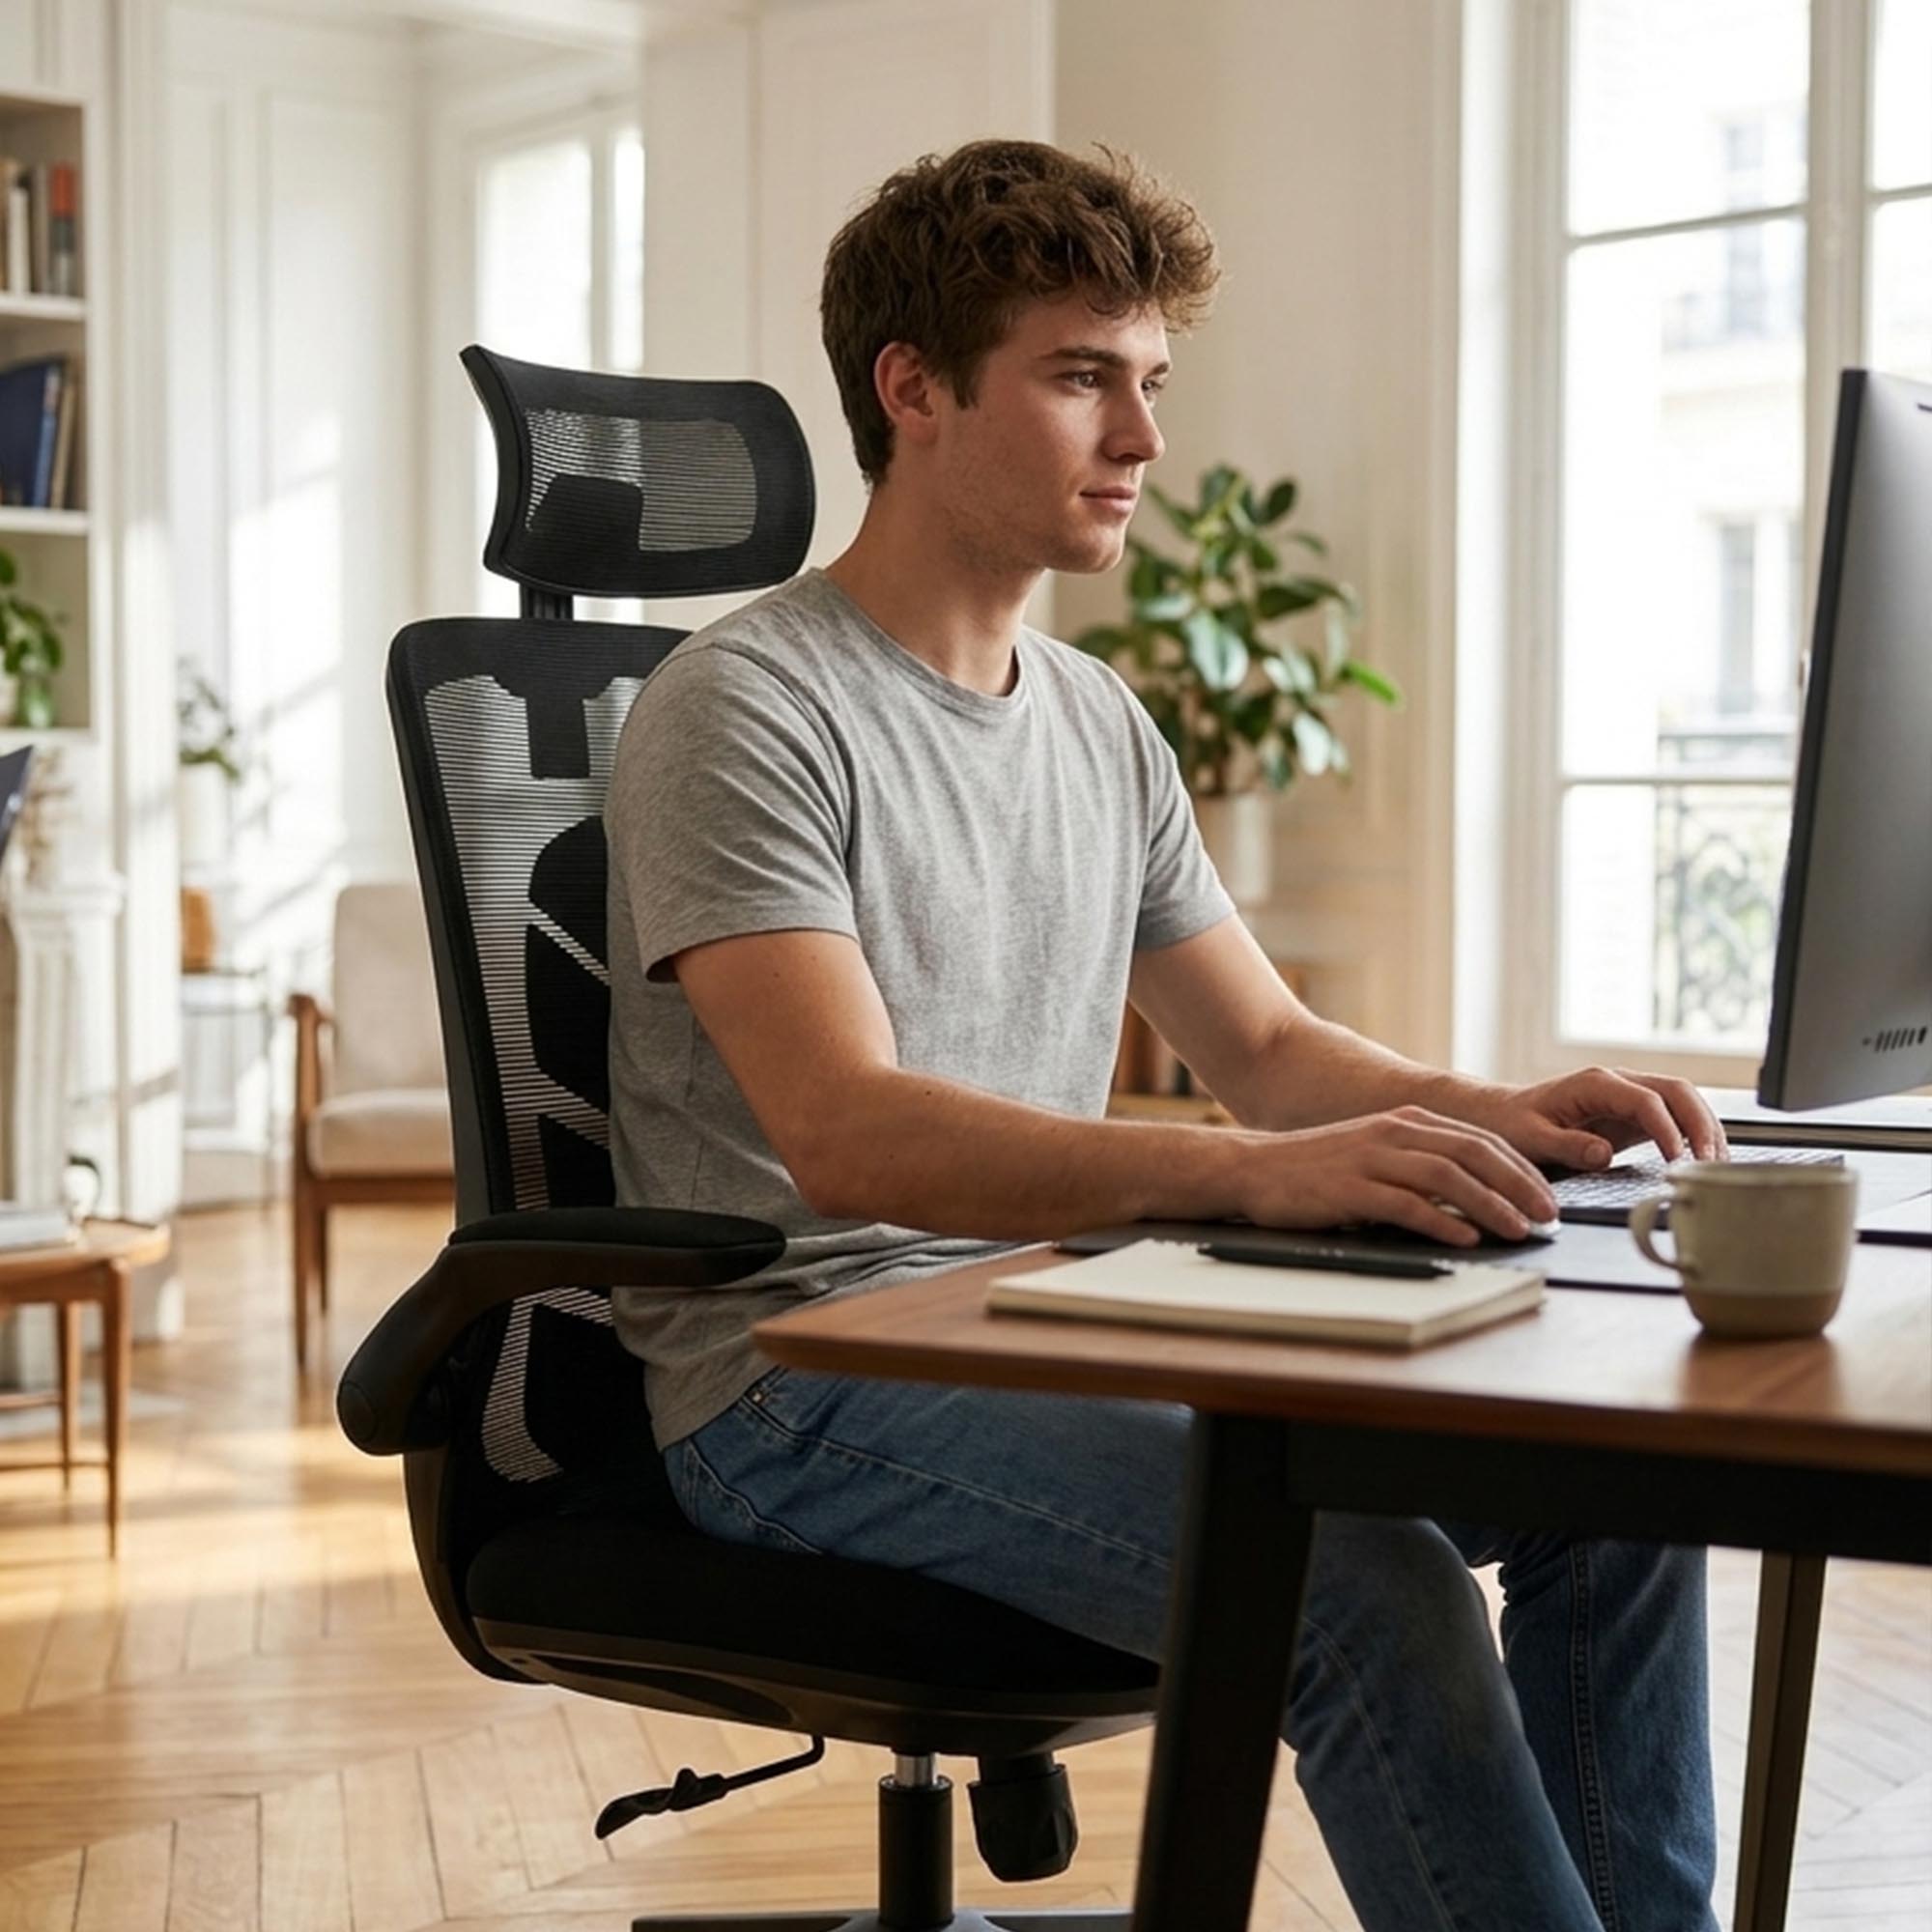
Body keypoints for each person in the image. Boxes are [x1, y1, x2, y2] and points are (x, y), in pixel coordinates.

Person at [605, 138, 1722, 1931]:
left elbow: (1266, 1049)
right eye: (1081, 377)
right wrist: (1250, 1180)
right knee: (1364, 1586)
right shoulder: (743, 706)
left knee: (1617, 1485)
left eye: (1152, 382)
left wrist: (1502, 1111)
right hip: (802, 1378)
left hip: (1049, 1319)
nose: (1141, 437)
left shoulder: (1097, 719)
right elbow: (849, 1133)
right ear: (914, 391)